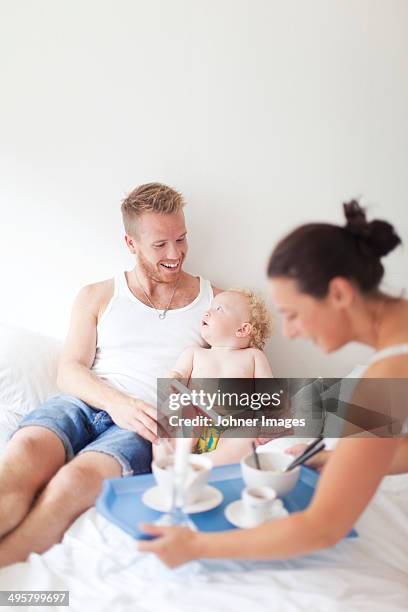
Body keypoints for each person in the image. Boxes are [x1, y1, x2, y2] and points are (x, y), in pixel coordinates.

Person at [139, 200, 408, 568]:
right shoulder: (394, 354)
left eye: (293, 315)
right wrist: (330, 460)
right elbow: (399, 447)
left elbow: (322, 527)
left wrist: (196, 546)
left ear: (340, 294)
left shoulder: (386, 373)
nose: (292, 331)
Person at [0, 182, 222, 568]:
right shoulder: (98, 295)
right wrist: (118, 404)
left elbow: (236, 384)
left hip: (145, 424)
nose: (176, 254)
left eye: (181, 239)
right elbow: (69, 370)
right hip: (83, 403)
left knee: (75, 481)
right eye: (160, 245)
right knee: (24, 455)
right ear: (130, 243)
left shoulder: (216, 305)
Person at [159, 289, 273, 464]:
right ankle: (173, 461)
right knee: (173, 413)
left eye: (219, 309)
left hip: (232, 428)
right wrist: (173, 379)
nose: (207, 312)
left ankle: (209, 463)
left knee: (249, 435)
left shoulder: (253, 356)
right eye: (210, 307)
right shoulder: (194, 353)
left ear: (242, 329)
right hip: (195, 422)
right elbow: (176, 377)